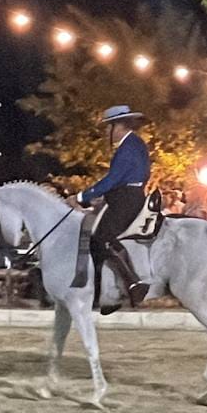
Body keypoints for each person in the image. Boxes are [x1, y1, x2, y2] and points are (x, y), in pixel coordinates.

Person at [76, 105, 152, 310]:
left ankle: (133, 284)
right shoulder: (136, 144)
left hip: (125, 198)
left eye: (107, 127)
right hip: (128, 195)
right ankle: (107, 293)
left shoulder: (127, 148)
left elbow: (113, 179)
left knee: (103, 239)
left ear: (117, 126)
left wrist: (83, 195)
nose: (105, 133)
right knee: (100, 240)